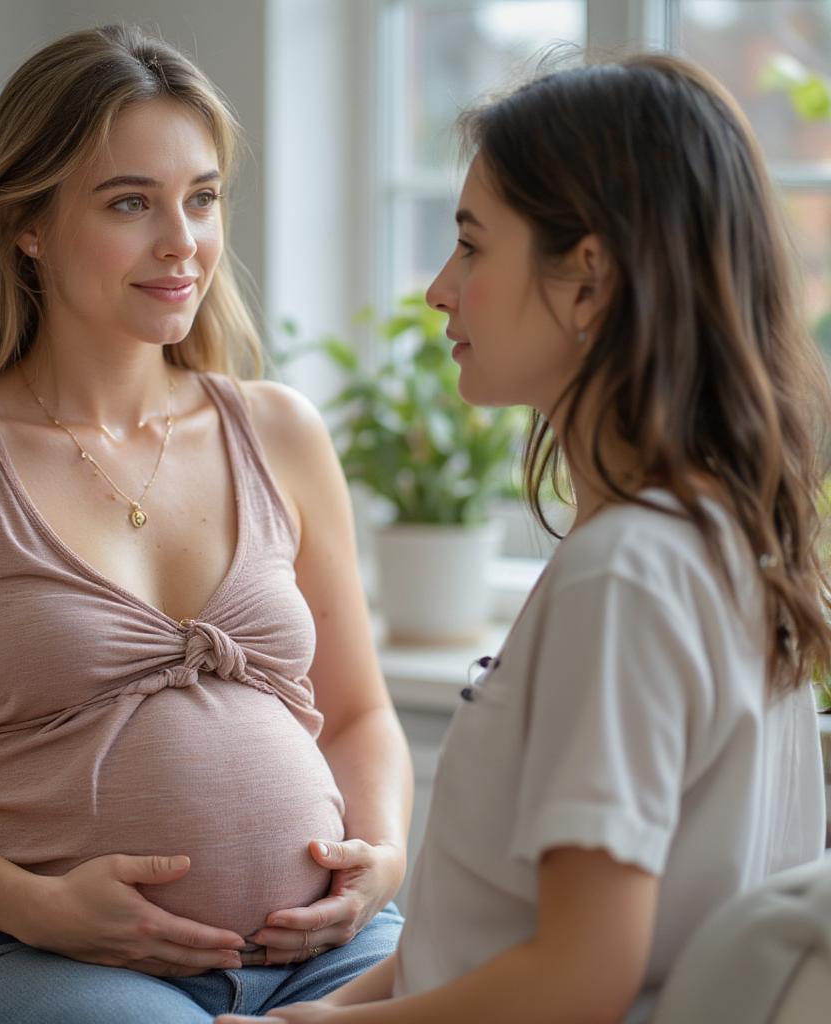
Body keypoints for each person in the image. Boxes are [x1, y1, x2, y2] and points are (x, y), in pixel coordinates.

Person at [0, 25, 411, 1024]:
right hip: (24, 955)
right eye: (132, 202)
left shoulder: (280, 432)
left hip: (322, 953)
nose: (184, 242)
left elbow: (356, 715)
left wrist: (381, 858)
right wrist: (43, 909)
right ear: (26, 223)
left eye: (202, 197)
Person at [217, 52, 831, 1024]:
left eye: (469, 246)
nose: (437, 288)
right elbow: (493, 942)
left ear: (587, 280)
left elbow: (580, 978)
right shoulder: (717, 538)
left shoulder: (625, 574)